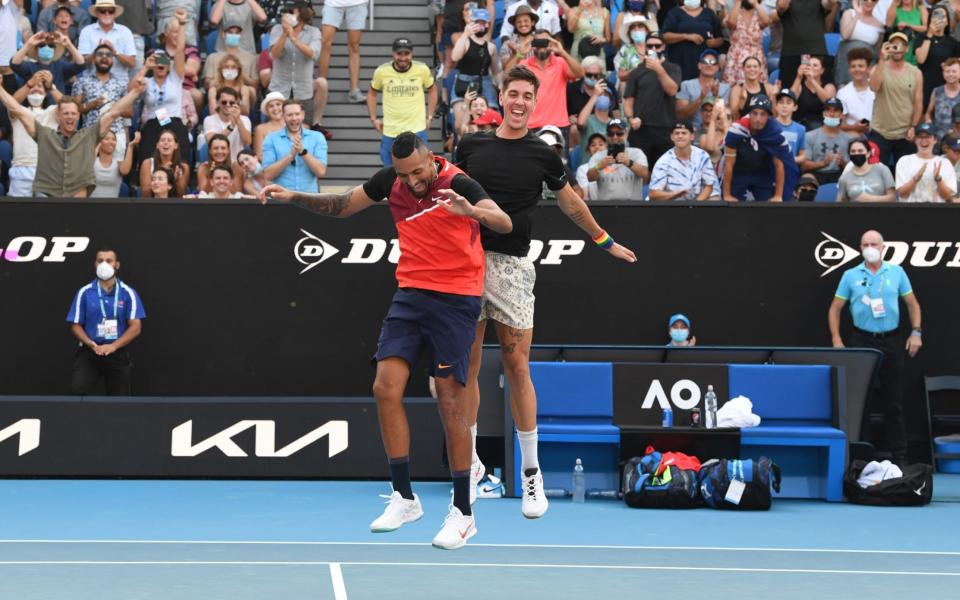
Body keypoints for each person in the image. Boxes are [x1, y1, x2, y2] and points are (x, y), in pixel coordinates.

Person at [261, 132, 512, 550]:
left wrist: (472, 211)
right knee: (385, 387)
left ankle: (464, 512)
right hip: (411, 293)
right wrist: (294, 196)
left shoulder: (458, 182)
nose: (412, 181)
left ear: (431, 159)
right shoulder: (391, 182)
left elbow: (503, 221)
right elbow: (342, 206)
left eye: (418, 171)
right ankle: (403, 497)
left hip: (457, 298)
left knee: (450, 399)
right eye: (403, 174)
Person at [457, 66, 637, 519]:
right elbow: (448, 197)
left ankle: (532, 475)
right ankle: (472, 467)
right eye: (512, 93)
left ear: (535, 103)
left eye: (526, 96)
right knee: (468, 368)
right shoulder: (471, 145)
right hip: (465, 265)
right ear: (501, 96)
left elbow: (571, 201)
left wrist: (604, 240)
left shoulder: (543, 154)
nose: (518, 102)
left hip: (513, 269)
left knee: (518, 367)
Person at [828, 229, 922, 465]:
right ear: (860, 248)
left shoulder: (896, 272)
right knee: (862, 400)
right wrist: (837, 340)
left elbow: (912, 304)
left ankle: (900, 456)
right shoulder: (850, 275)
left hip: (891, 340)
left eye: (874, 244)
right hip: (861, 341)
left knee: (894, 401)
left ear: (882, 247)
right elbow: (835, 309)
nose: (870, 247)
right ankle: (860, 456)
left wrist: (916, 332)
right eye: (865, 244)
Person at [0, 76, 141, 197]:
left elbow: (113, 112)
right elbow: (17, 110)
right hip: (50, 200)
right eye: (66, 113)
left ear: (78, 116)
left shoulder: (89, 135)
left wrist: (135, 92)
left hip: (78, 201)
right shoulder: (45, 134)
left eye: (73, 113)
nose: (70, 116)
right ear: (58, 116)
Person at [66, 248, 146, 396]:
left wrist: (113, 346)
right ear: (94, 264)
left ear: (117, 265)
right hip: (90, 351)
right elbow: (75, 325)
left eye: (109, 261)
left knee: (120, 398)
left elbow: (136, 327)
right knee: (78, 390)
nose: (104, 264)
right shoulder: (84, 292)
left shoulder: (128, 293)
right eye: (100, 261)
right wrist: (91, 344)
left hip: (117, 351)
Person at [368, 37, 437, 166]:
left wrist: (430, 116)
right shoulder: (382, 71)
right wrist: (373, 118)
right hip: (391, 131)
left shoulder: (422, 69)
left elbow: (433, 90)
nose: (403, 57)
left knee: (422, 169)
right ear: (393, 53)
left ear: (412, 54)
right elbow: (372, 93)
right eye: (399, 54)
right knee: (390, 174)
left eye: (407, 54)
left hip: (417, 129)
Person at [131, 14, 188, 165]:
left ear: (169, 64)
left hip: (174, 121)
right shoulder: (147, 82)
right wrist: (145, 67)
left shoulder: (176, 77)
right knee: (146, 158)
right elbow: (131, 90)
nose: (160, 64)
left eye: (164, 61)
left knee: (182, 157)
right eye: (157, 61)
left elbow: (180, 50)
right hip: (152, 123)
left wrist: (182, 24)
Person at [623, 32, 682, 168]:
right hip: (641, 130)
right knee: (640, 173)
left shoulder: (673, 68)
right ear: (645, 48)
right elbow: (628, 101)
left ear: (663, 47)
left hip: (665, 129)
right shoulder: (637, 71)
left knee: (663, 172)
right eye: (650, 46)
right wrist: (631, 118)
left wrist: (659, 69)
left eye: (657, 46)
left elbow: (672, 90)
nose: (654, 49)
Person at [723, 94, 798, 201]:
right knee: (733, 206)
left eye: (763, 114)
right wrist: (727, 195)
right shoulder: (736, 131)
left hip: (762, 173)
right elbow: (729, 164)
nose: (758, 119)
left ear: (768, 116)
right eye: (755, 113)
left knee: (767, 207)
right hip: (739, 172)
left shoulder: (774, 133)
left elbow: (779, 164)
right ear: (749, 113)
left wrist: (778, 196)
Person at [269, 1, 327, 129]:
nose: (286, 15)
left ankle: (317, 124)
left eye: (291, 12)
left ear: (302, 12)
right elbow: (274, 54)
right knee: (277, 128)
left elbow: (313, 54)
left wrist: (294, 38)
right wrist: (285, 34)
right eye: (285, 12)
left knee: (304, 128)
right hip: (279, 88)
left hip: (303, 89)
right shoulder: (276, 30)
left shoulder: (314, 32)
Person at [870, 32, 923, 167]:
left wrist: (913, 126)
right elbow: (874, 87)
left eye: (901, 45)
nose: (897, 48)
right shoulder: (878, 68)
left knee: (906, 176)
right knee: (877, 173)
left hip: (905, 133)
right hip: (880, 132)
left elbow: (918, 102)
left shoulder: (916, 72)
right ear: (887, 47)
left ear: (906, 48)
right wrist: (882, 59)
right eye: (894, 45)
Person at [4, 75, 58, 196]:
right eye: (32, 87)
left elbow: (69, 106)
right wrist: (29, 84)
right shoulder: (20, 110)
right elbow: (12, 103)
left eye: (40, 86)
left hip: (48, 169)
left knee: (47, 212)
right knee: (18, 212)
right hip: (21, 167)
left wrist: (51, 87)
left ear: (45, 92)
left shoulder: (52, 111)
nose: (36, 89)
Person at [519, 30, 584, 131]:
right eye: (538, 42)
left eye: (545, 42)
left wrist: (562, 52)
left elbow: (580, 73)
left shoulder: (560, 62)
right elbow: (507, 78)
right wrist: (519, 54)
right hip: (530, 126)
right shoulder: (524, 64)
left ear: (551, 43)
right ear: (533, 44)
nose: (542, 46)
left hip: (557, 125)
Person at [71, 43, 128, 157]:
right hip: (90, 133)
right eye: (100, 54)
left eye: (108, 55)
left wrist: (115, 108)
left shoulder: (121, 83)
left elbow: (130, 112)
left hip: (116, 135)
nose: (104, 57)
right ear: (93, 58)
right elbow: (74, 110)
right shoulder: (81, 81)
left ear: (112, 60)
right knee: (88, 173)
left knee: (115, 172)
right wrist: (93, 104)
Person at [262, 99, 328, 192]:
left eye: (297, 114)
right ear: (283, 116)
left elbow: (321, 172)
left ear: (303, 115)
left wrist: (303, 152)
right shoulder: (271, 139)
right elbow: (268, 175)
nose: (294, 118)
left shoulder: (317, 137)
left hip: (309, 199)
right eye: (289, 115)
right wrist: (290, 156)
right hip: (281, 198)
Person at [648, 120, 719, 200]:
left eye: (684, 133)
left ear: (692, 136)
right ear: (672, 137)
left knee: (714, 199)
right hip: (673, 203)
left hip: (700, 201)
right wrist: (674, 194)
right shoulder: (663, 161)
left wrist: (695, 205)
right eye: (677, 133)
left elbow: (709, 186)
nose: (680, 136)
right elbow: (653, 194)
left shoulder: (702, 156)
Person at [776, 0, 836, 89]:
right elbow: (781, 6)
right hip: (791, 54)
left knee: (820, 91)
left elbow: (831, 2)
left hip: (817, 53)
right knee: (788, 94)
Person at [585, 118, 649, 199]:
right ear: (607, 135)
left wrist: (629, 162)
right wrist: (600, 165)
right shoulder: (598, 156)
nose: (615, 137)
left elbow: (645, 174)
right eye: (611, 134)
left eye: (619, 133)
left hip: (632, 206)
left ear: (626, 134)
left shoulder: (636, 153)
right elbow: (590, 178)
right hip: (606, 206)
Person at [450, 8, 500, 110]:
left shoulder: (491, 47)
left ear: (488, 25)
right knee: (461, 120)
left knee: (490, 118)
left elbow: (496, 72)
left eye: (483, 23)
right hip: (464, 82)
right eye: (477, 23)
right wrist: (465, 34)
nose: (480, 26)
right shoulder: (465, 41)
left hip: (484, 82)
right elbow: (455, 57)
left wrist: (501, 86)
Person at [894, 121, 957, 202]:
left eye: (927, 137)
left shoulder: (945, 163)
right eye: (920, 137)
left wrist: (938, 179)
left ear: (935, 140)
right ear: (915, 140)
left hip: (937, 212)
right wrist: (915, 178)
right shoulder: (904, 161)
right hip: (910, 211)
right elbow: (902, 194)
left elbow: (948, 197)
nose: (924, 140)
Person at [77, 0, 136, 86]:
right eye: (103, 10)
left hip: (119, 82)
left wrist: (115, 52)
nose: (107, 13)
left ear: (114, 13)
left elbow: (132, 63)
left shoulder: (125, 31)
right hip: (91, 83)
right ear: (97, 13)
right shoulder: (86, 31)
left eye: (110, 11)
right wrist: (96, 52)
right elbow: (82, 64)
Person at [319, 0, 368, 103]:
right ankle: (321, 89)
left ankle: (354, 91)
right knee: (325, 43)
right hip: (332, 3)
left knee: (354, 46)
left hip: (357, 3)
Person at [10, 31, 87, 95]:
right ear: (36, 49)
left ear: (54, 50)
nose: (46, 47)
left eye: (51, 45)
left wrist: (69, 45)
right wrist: (29, 44)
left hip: (56, 109)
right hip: (32, 108)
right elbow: (14, 64)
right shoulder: (30, 66)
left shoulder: (61, 66)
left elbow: (81, 65)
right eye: (42, 45)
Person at [916, 4, 959, 109]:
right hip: (925, 86)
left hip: (945, 88)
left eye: (943, 16)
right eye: (936, 15)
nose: (939, 19)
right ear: (930, 19)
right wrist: (929, 34)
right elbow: (921, 59)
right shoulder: (922, 37)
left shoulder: (953, 43)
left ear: (947, 21)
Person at [677, 49, 732, 131]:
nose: (709, 65)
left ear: (717, 68)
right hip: (692, 132)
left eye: (713, 63)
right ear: (699, 65)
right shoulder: (686, 85)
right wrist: (701, 98)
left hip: (715, 132)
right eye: (705, 62)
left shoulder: (725, 88)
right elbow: (681, 115)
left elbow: (727, 117)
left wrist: (716, 96)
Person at [802, 97, 851, 183]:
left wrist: (843, 163)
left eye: (835, 111)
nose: (831, 114)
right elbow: (804, 166)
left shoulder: (848, 139)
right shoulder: (809, 136)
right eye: (828, 110)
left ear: (841, 115)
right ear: (823, 113)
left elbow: (853, 167)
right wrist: (824, 163)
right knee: (806, 179)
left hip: (839, 174)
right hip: (817, 174)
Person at [723, 0, 772, 86]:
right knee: (733, 90)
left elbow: (767, 22)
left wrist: (755, 4)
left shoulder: (759, 15)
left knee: (758, 89)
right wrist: (738, 2)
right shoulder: (734, 13)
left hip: (756, 58)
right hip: (736, 58)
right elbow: (731, 23)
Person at [835, 0, 883, 87]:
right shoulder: (849, 13)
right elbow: (845, 35)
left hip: (867, 67)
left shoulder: (879, 23)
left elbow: (877, 51)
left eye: (873, 0)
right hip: (846, 65)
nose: (869, 1)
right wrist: (857, 14)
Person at [204, 24, 259, 93]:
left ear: (241, 36)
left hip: (242, 93)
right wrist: (221, 78)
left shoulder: (251, 58)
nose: (233, 35)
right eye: (230, 32)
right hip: (219, 93)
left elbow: (256, 85)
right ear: (223, 34)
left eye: (237, 33)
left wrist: (240, 75)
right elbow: (207, 83)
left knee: (250, 90)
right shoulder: (212, 57)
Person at [837, 137, 896, 201]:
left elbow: (893, 198)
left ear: (868, 153)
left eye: (860, 151)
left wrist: (871, 199)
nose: (856, 153)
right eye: (853, 151)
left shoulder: (882, 170)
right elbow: (841, 201)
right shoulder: (844, 177)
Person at [836, 47, 876, 137]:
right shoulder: (842, 93)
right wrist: (854, 127)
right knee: (853, 136)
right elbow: (839, 124)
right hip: (854, 134)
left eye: (861, 66)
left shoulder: (877, 88)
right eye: (853, 66)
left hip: (878, 133)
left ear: (868, 69)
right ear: (849, 70)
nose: (857, 69)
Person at [203, 86, 252, 161]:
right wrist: (231, 127)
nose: (228, 105)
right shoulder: (209, 120)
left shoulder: (244, 119)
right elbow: (211, 141)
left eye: (231, 103)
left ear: (236, 103)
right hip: (218, 162)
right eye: (224, 102)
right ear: (217, 102)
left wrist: (238, 120)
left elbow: (247, 141)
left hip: (238, 163)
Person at [138, 127, 190, 197]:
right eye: (162, 140)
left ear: (176, 145)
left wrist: (174, 181)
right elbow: (145, 194)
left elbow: (181, 196)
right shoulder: (148, 163)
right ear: (157, 145)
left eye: (169, 140)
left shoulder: (184, 167)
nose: (166, 143)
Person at [574, 76, 614, 165]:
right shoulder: (588, 120)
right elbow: (580, 122)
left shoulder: (614, 124)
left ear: (611, 101)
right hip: (587, 169)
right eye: (600, 95)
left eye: (605, 95)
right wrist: (595, 95)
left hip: (608, 171)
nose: (602, 96)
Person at [790, 55, 837, 130]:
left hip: (822, 127)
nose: (811, 68)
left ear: (822, 70)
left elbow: (829, 104)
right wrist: (799, 77)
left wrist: (812, 80)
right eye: (808, 65)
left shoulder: (829, 87)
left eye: (815, 65)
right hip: (800, 125)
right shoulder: (799, 85)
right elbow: (790, 100)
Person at [728, 56, 777, 120]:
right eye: (748, 66)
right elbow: (734, 118)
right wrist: (742, 101)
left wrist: (773, 97)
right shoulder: (737, 90)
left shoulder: (769, 88)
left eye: (755, 66)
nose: (752, 69)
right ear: (743, 69)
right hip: (743, 127)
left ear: (760, 69)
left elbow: (775, 116)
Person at [90, 129, 136, 197]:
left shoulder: (118, 163)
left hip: (112, 206)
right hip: (91, 205)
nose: (111, 142)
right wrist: (96, 147)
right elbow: (85, 170)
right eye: (107, 139)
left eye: (114, 139)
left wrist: (130, 146)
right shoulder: (92, 161)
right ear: (99, 142)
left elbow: (125, 170)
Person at [925, 58, 960, 140]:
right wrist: (928, 121)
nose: (950, 74)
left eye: (954, 71)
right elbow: (928, 113)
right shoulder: (937, 91)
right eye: (947, 71)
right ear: (943, 73)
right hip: (938, 140)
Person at [885, 0, 926, 66]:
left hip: (913, 48)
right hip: (897, 48)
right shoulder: (895, 8)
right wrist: (894, 4)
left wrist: (909, 25)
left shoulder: (920, 8)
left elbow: (926, 28)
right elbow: (888, 25)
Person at [499, 4, 538, 72]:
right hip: (515, 81)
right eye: (519, 22)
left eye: (526, 21)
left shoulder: (540, 42)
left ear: (532, 22)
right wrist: (519, 54)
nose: (522, 24)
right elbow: (506, 71)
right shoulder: (508, 44)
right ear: (515, 24)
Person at [614, 15, 652, 84]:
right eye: (633, 27)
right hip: (631, 85)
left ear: (646, 30)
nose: (636, 29)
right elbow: (621, 76)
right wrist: (636, 71)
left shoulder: (654, 47)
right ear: (630, 32)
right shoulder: (625, 49)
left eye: (640, 26)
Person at [774, 88, 808, 163]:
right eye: (781, 102)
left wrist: (790, 160)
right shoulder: (770, 125)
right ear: (776, 106)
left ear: (795, 107)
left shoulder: (800, 129)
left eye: (788, 102)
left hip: (791, 168)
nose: (784, 106)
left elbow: (803, 155)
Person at [254, 90, 285, 158]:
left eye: (278, 104)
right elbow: (259, 156)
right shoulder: (260, 129)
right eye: (271, 106)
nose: (275, 108)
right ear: (267, 110)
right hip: (271, 166)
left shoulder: (294, 125)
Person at [576, 132, 605, 199]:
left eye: (601, 144)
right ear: (589, 150)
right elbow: (584, 195)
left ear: (607, 148)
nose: (597, 147)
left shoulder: (613, 166)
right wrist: (599, 166)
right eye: (593, 145)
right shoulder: (582, 169)